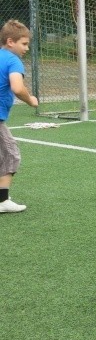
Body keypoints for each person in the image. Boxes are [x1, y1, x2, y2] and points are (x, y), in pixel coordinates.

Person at [0, 20, 39, 213]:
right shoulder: (12, 60)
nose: (27, 48)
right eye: (23, 44)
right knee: (11, 154)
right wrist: (31, 99)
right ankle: (2, 201)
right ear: (10, 42)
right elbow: (17, 87)